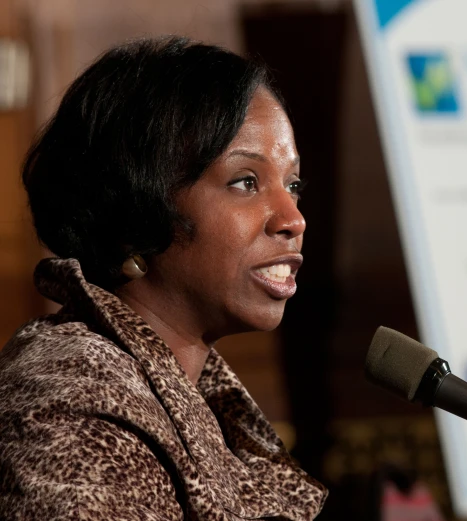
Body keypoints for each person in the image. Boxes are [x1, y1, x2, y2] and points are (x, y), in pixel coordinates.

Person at [0, 36, 326, 520]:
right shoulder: (73, 410)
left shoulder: (199, 394)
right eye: (245, 182)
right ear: (135, 213)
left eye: (293, 185)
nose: (293, 219)